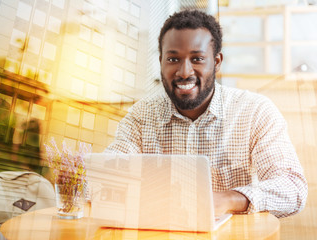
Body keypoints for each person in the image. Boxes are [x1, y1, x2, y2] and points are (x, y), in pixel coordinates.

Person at [105, 9, 307, 218]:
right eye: (173, 60)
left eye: (197, 59)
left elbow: (293, 189)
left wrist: (227, 199)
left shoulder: (255, 111)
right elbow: (108, 172)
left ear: (217, 62)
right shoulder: (142, 115)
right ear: (161, 62)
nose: (184, 72)